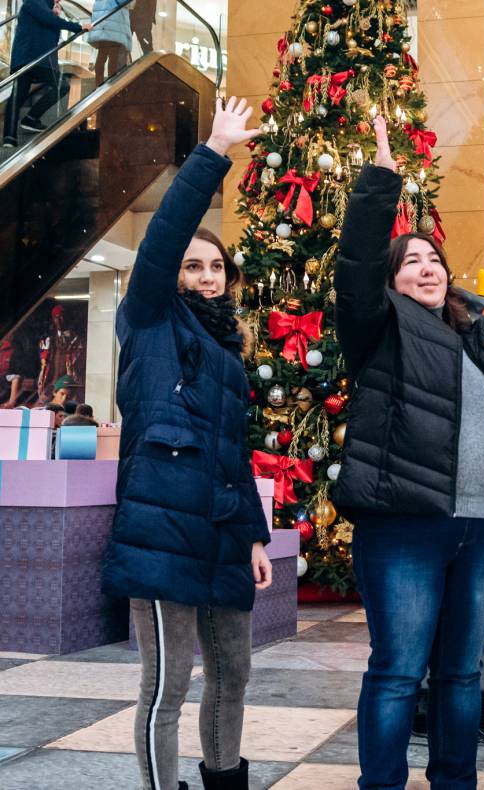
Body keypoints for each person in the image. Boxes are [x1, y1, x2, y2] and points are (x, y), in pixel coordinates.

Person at [333, 116, 484, 790]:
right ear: (393, 282)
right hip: (404, 527)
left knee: (460, 674)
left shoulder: (481, 345)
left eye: (433, 258)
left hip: (481, 531)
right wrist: (380, 181)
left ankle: (455, 782)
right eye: (410, 262)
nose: (425, 267)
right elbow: (356, 264)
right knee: (398, 671)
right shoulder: (378, 331)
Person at [100, 97, 270, 790]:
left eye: (216, 269)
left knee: (233, 673)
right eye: (193, 267)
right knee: (166, 686)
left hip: (224, 530)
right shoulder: (148, 319)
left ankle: (224, 781)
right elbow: (164, 234)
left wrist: (256, 534)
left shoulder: (227, 355)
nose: (205, 277)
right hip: (160, 530)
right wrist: (214, 153)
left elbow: (234, 452)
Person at [2, 0, 91, 147]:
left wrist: (54, 14)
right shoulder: (34, 1)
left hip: (40, 60)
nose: (59, 1)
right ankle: (9, 137)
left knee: (61, 86)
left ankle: (30, 118)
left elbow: (50, 36)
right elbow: (48, 20)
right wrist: (78, 27)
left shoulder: (47, 9)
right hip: (27, 57)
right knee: (19, 95)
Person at [90, 0, 134, 85]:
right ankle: (111, 85)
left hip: (103, 27)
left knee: (101, 56)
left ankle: (98, 85)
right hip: (114, 27)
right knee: (113, 59)